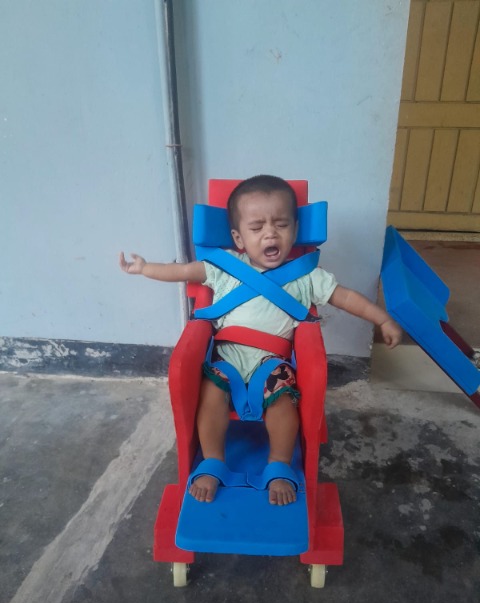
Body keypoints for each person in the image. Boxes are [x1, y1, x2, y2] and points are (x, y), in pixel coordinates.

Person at [119, 175, 402, 507]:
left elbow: (347, 298)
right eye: (257, 227)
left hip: (272, 362)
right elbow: (182, 272)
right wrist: (145, 268)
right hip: (227, 358)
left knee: (283, 403)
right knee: (210, 396)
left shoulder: (307, 276)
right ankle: (213, 461)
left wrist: (382, 319)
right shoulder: (224, 267)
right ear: (238, 238)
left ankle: (279, 464)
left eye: (281, 224)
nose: (270, 233)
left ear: (295, 230)